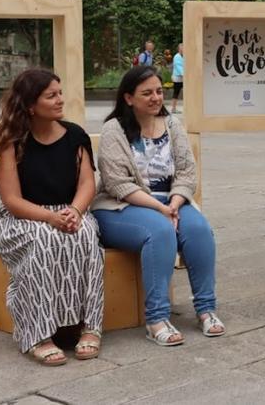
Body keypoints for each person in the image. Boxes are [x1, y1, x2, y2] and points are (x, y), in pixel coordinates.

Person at [92, 66, 223, 346]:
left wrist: (174, 202)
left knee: (199, 229)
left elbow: (188, 172)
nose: (155, 98)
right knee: (161, 231)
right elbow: (118, 184)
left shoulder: (172, 123)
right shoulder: (113, 130)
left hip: (170, 201)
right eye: (147, 93)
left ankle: (206, 308)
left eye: (159, 91)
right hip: (120, 206)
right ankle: (156, 318)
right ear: (128, 98)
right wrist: (161, 210)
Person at [0, 68, 104, 366]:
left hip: (68, 208)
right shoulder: (8, 141)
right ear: (30, 105)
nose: (60, 100)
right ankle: (39, 334)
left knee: (87, 234)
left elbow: (87, 183)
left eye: (60, 93)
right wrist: (49, 219)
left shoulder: (75, 135)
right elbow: (11, 200)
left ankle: (90, 326)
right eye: (51, 96)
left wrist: (75, 211)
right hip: (24, 217)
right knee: (43, 241)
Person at [170, 43, 185, 114]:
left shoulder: (185, 56)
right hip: (178, 78)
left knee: (187, 93)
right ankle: (173, 108)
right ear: (179, 49)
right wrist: (184, 74)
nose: (183, 49)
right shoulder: (176, 57)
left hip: (184, 77)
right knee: (176, 92)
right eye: (182, 48)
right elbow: (178, 67)